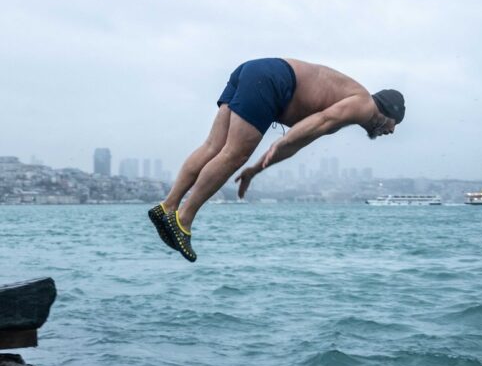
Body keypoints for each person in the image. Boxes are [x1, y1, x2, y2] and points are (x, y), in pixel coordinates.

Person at [148, 58, 405, 262]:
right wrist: (283, 139)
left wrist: (257, 169)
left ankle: (168, 207)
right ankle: (183, 220)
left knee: (214, 147)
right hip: (271, 80)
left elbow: (299, 141)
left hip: (252, 71)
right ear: (388, 111)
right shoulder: (365, 105)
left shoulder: (350, 103)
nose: (391, 131)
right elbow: (319, 121)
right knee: (232, 154)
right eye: (395, 124)